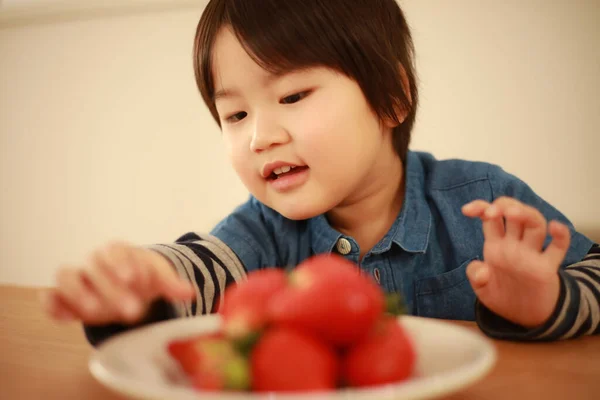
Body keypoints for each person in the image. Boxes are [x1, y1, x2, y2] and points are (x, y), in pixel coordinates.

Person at [42, 0, 599, 346]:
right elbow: (196, 276)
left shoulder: (484, 203)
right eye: (234, 114)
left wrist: (545, 303)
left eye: (293, 94)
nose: (260, 136)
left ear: (392, 99)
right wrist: (140, 287)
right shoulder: (263, 231)